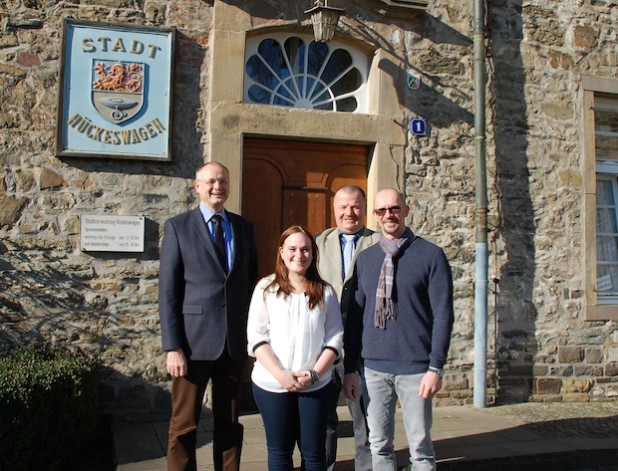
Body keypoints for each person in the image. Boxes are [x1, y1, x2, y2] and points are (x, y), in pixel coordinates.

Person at [343, 188, 454, 471]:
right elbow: (356, 317)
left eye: (394, 209)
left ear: (405, 210)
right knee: (378, 445)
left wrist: (435, 367)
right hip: (373, 369)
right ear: (376, 216)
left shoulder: (431, 255)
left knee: (421, 449)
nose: (388, 216)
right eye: (381, 211)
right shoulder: (366, 259)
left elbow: (443, 314)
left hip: (416, 369)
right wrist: (351, 367)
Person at [159, 161, 258, 471]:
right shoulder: (178, 227)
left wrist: (253, 340)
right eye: (212, 181)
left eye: (224, 181)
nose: (218, 187)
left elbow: (251, 286)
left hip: (232, 344)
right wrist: (173, 347)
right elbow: (168, 292)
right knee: (185, 423)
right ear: (197, 186)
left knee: (229, 422)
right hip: (191, 344)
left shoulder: (243, 227)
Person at [247, 225, 344, 471]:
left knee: (314, 455)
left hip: (315, 385)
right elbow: (257, 338)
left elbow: (334, 338)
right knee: (280, 453)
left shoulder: (326, 292)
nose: (299, 255)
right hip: (272, 385)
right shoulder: (265, 288)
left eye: (305, 249)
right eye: (292, 249)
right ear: (281, 251)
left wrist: (314, 374)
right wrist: (281, 375)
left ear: (313, 253)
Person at [315, 184, 379, 471]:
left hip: (363, 346)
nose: (349, 213)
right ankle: (324, 466)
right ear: (334, 209)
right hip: (324, 344)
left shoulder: (380, 243)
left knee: (364, 415)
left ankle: (366, 467)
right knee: (324, 417)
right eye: (342, 207)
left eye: (355, 206)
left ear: (364, 209)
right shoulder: (318, 242)